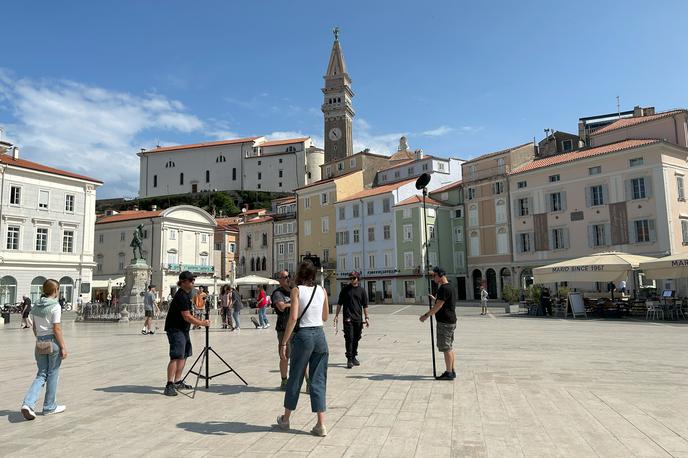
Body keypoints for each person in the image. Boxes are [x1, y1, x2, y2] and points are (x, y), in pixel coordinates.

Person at [276, 260, 329, 437]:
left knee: (296, 377)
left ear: (300, 274)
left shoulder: (296, 290)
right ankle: (321, 424)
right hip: (320, 336)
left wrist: (284, 342)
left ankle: (285, 419)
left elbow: (292, 318)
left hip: (304, 335)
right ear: (314, 274)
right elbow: (325, 316)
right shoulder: (322, 290)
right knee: (318, 379)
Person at [20, 279, 68, 420]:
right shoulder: (55, 306)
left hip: (39, 341)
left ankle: (28, 403)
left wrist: (40, 340)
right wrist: (63, 347)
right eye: (58, 289)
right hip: (52, 342)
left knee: (41, 373)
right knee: (53, 373)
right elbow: (56, 329)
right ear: (55, 290)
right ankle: (49, 406)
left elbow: (34, 327)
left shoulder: (36, 305)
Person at [163, 271, 210, 397]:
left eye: (193, 281)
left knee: (183, 355)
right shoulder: (181, 296)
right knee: (176, 355)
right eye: (191, 281)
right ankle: (169, 384)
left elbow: (188, 314)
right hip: (175, 329)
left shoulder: (187, 294)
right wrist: (201, 322)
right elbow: (186, 316)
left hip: (183, 329)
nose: (193, 283)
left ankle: (178, 381)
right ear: (183, 282)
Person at [420, 267, 457, 381]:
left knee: (446, 348)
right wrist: (434, 299)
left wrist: (426, 316)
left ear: (440, 276)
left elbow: (439, 306)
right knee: (449, 347)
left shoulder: (443, 288)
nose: (433, 277)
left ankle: (449, 373)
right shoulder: (450, 287)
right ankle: (452, 369)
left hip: (445, 322)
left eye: (434, 275)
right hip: (450, 321)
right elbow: (442, 302)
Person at [334, 271, 369, 369]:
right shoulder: (345, 290)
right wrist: (336, 315)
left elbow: (365, 305)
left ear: (358, 278)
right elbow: (339, 303)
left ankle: (353, 356)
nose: (351, 280)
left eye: (353, 278)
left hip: (358, 318)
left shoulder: (362, 291)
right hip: (348, 318)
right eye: (350, 278)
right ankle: (349, 359)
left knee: (357, 338)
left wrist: (367, 318)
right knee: (349, 338)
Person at [272, 271, 293, 390]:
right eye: (284, 277)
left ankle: (307, 381)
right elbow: (281, 306)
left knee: (300, 356)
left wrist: (290, 304)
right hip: (283, 328)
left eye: (287, 276)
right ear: (279, 280)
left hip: (296, 327)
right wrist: (295, 303)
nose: (287, 279)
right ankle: (284, 380)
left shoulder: (294, 291)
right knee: (284, 355)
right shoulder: (277, 293)